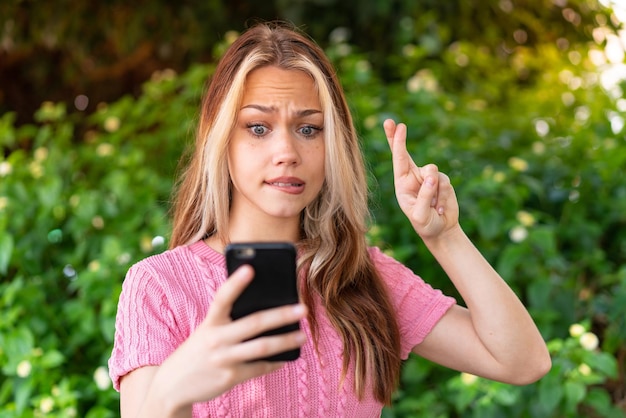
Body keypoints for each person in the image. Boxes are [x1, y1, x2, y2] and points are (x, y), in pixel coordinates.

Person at [108, 21, 551, 417]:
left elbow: (522, 361)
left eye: (309, 129)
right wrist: (172, 392)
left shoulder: (363, 276)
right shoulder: (159, 287)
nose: (287, 153)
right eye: (258, 128)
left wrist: (446, 237)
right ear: (221, 141)